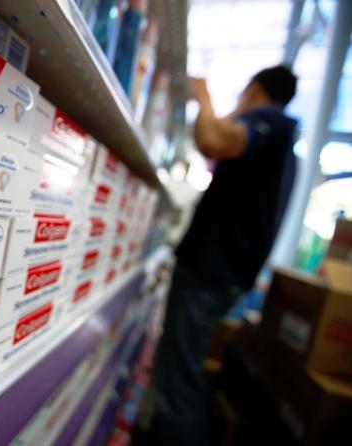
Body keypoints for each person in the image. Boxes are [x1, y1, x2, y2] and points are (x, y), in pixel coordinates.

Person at [150, 65, 298, 446]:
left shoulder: (271, 122)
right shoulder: (279, 140)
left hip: (209, 274)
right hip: (216, 275)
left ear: (254, 88)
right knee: (180, 370)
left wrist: (203, 96)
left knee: (177, 377)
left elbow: (214, 141)